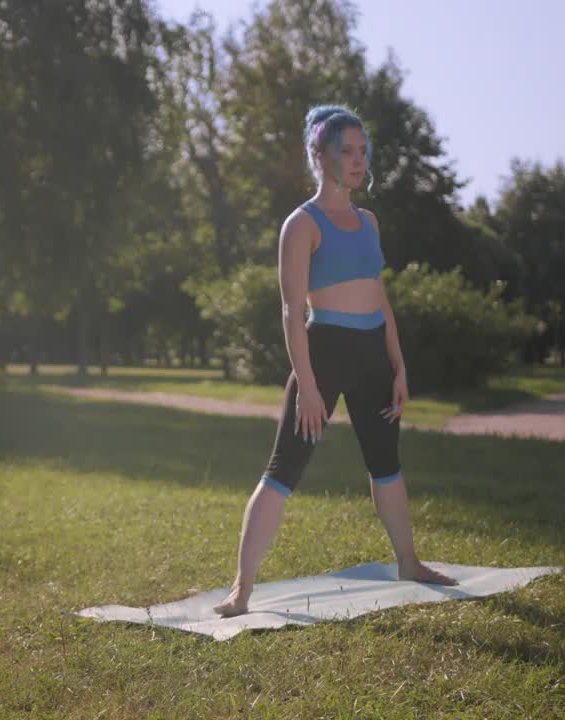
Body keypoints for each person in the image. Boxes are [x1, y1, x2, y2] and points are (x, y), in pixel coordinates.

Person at [213, 104, 458, 619]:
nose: (357, 161)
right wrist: (307, 385)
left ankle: (409, 562)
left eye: (362, 151)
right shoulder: (301, 225)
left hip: (373, 356)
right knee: (283, 470)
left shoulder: (369, 221)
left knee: (386, 466)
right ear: (319, 155)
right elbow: (289, 309)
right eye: (346, 151)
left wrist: (399, 365)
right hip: (323, 355)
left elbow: (380, 297)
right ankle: (241, 589)